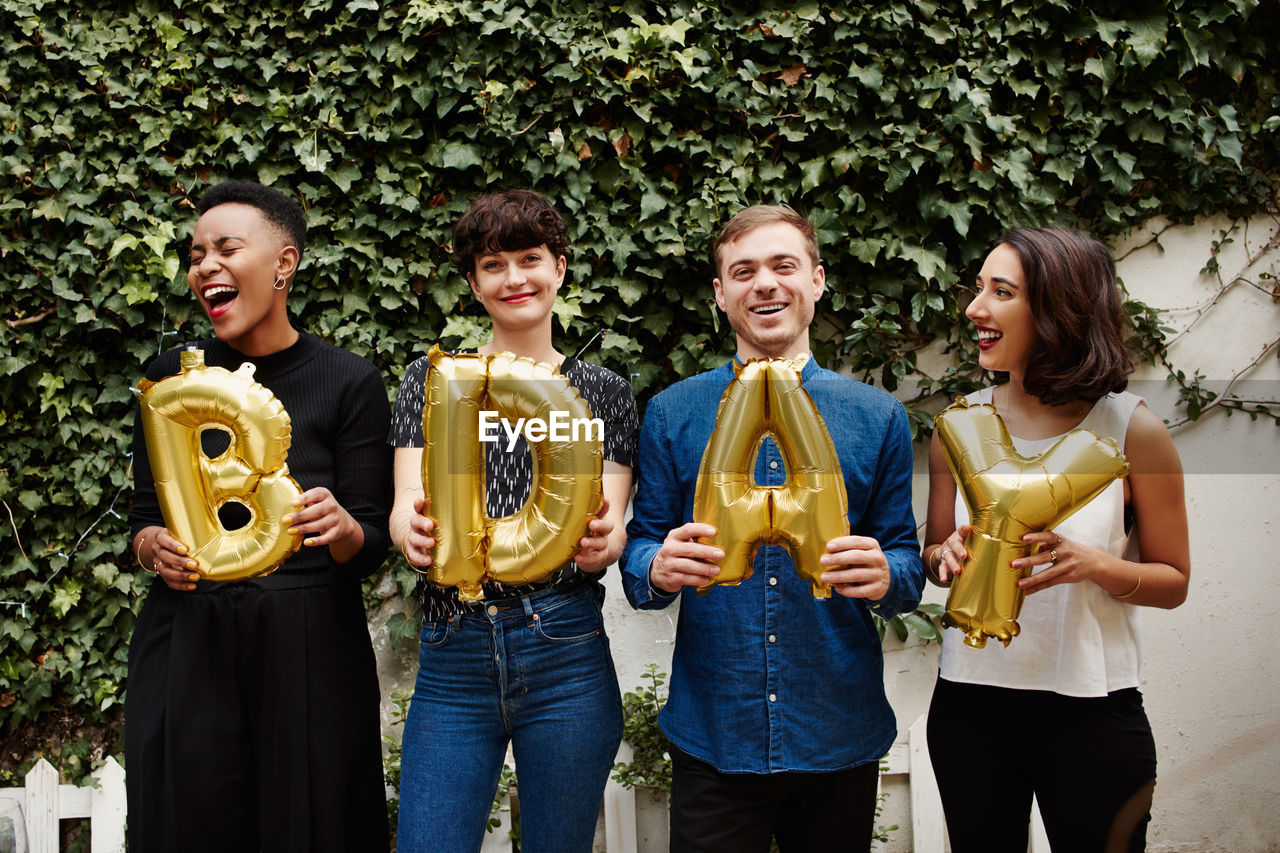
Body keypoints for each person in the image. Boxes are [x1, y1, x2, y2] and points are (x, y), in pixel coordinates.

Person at [620, 204, 925, 852]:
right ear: (721, 293)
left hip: (838, 731)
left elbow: (907, 563)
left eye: (784, 265)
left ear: (816, 280)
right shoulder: (673, 410)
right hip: (713, 734)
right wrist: (655, 564)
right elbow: (640, 552)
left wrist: (887, 573)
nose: (765, 283)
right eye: (744, 270)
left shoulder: (879, 416)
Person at [126, 180, 392, 852]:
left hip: (310, 643)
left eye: (225, 248)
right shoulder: (168, 381)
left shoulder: (349, 379)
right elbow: (142, 515)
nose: (204, 266)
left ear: (284, 263)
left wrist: (344, 527)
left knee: (316, 823)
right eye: (194, 255)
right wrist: (150, 543)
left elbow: (372, 542)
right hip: (187, 635)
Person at [922, 226, 1190, 852]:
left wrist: (1094, 564)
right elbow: (935, 552)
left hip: (1091, 707)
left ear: (1057, 309)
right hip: (970, 704)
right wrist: (944, 557)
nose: (974, 308)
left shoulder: (1132, 432)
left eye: (1001, 291)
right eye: (979, 288)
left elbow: (1173, 581)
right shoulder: (958, 427)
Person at [388, 189, 638, 853]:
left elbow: (611, 521)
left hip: (563, 645)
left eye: (530, 258)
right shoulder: (433, 379)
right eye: (493, 264)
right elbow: (404, 500)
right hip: (454, 649)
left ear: (560, 267)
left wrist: (601, 542)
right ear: (473, 283)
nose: (515, 277)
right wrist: (409, 534)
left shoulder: (603, 390)